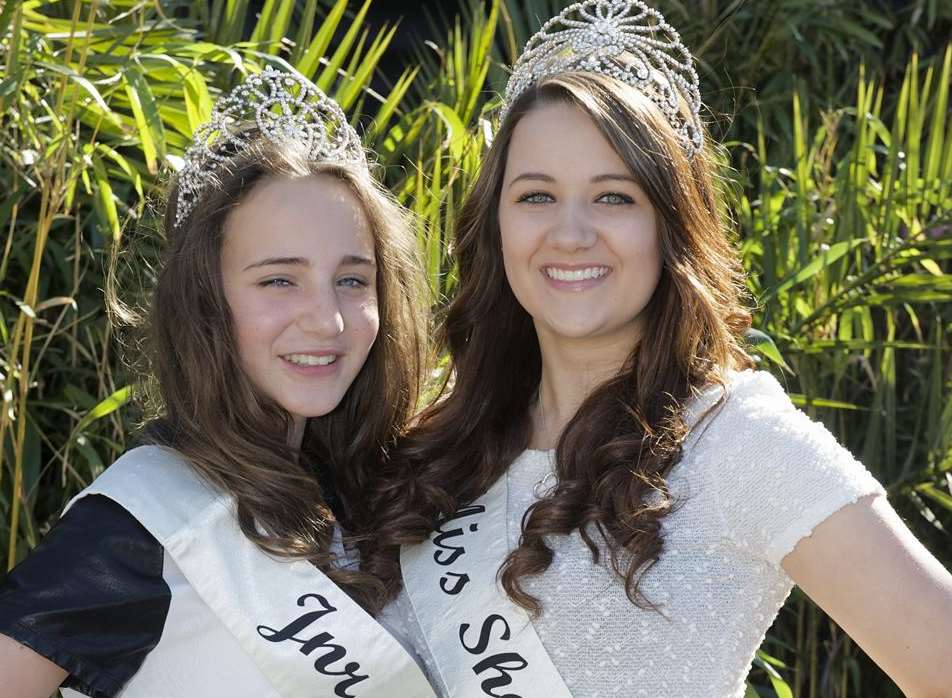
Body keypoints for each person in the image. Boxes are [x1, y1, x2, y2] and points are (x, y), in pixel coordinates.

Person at [364, 2, 952, 697]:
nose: (571, 233)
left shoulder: (735, 440)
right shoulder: (437, 445)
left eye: (614, 198)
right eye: (536, 196)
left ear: (670, 226)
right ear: (495, 226)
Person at [0, 68, 436, 698]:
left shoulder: (366, 493)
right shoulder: (135, 528)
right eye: (278, 280)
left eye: (352, 279)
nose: (327, 319)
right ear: (205, 300)